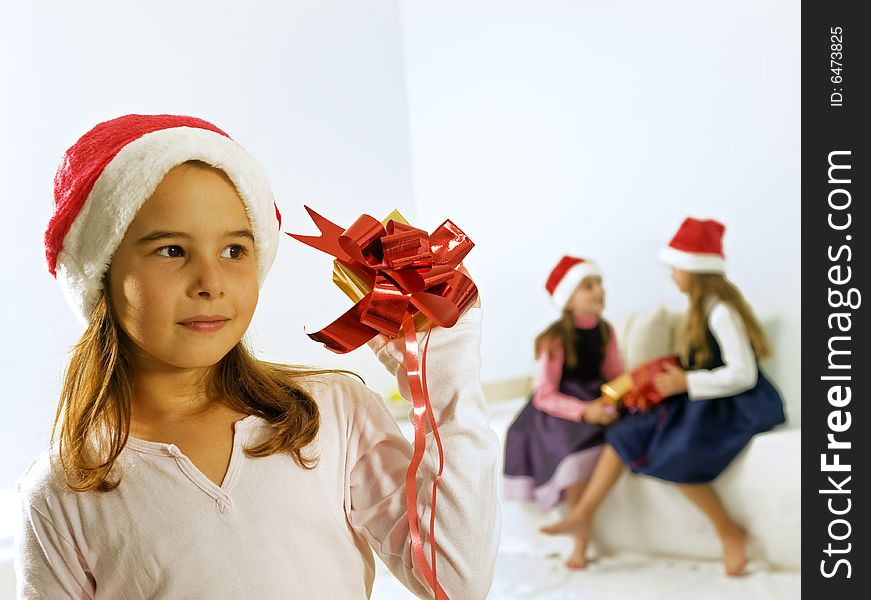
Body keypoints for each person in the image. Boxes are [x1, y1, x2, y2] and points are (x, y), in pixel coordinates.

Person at [14, 114, 499, 599]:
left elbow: (456, 581)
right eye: (170, 250)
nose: (210, 282)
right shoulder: (61, 490)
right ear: (100, 272)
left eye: (233, 250)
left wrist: (440, 364)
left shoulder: (332, 412)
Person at [541, 218, 786, 575]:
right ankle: (582, 516)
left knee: (677, 452)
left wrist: (686, 382)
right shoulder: (700, 309)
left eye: (675, 268)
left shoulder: (720, 311)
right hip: (702, 395)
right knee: (624, 433)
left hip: (735, 403)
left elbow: (743, 374)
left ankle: (730, 532)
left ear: (694, 269)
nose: (671, 275)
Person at [503, 256, 622, 569]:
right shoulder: (554, 338)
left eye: (599, 284)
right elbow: (545, 394)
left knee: (620, 434)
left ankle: (580, 524)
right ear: (569, 298)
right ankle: (580, 540)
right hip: (559, 408)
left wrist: (614, 401)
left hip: (594, 401)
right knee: (570, 450)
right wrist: (586, 411)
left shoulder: (606, 331)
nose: (599, 291)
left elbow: (614, 376)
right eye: (588, 286)